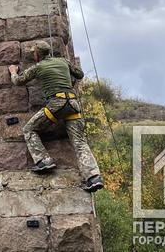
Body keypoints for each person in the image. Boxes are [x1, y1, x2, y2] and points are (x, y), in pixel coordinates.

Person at [9, 40, 104, 192]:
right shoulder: (63, 61)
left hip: (56, 105)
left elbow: (18, 81)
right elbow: (79, 74)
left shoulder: (38, 67)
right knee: (80, 143)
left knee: (29, 129)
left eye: (34, 53)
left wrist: (13, 71)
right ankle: (94, 177)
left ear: (37, 54)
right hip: (73, 105)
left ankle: (44, 160)